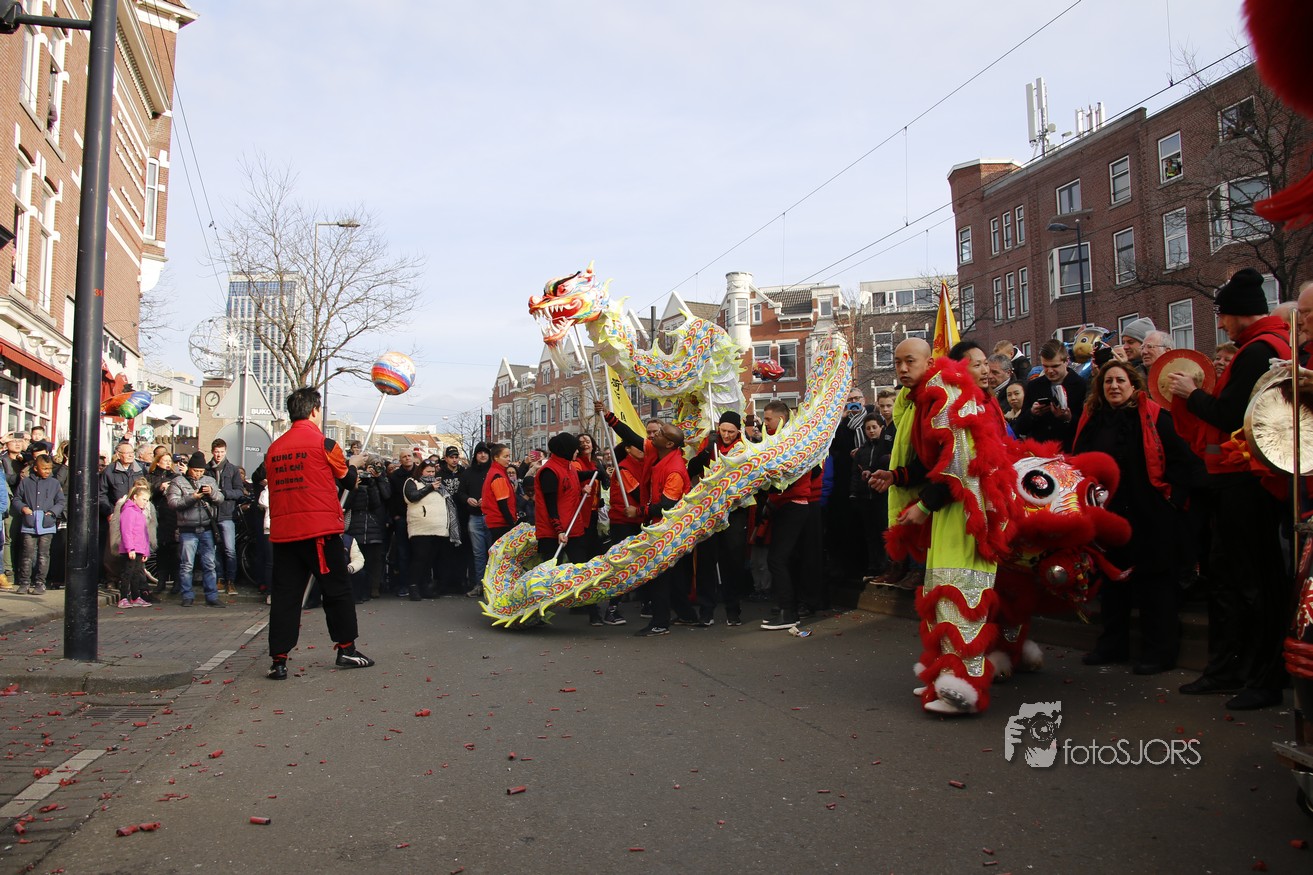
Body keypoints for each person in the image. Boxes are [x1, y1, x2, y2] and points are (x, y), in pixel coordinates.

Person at [1167, 267, 1291, 710]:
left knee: (1246, 581)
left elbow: (1231, 416)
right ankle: (1241, 670)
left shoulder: (1258, 352)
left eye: (1223, 316)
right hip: (1246, 482)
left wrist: (1191, 393)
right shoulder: (1270, 347)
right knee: (1241, 578)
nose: (1220, 325)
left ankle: (1254, 674)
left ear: (1239, 314)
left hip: (1245, 483)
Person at [870, 338, 1014, 715]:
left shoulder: (945, 393)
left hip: (967, 511)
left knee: (960, 595)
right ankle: (944, 676)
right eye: (897, 362)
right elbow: (930, 460)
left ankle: (964, 689)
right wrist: (897, 476)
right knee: (941, 594)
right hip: (949, 510)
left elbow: (960, 463)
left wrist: (924, 505)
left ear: (929, 361)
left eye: (909, 361)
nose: (902, 368)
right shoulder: (925, 397)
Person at [1073, 361, 1193, 674]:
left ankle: (1159, 652)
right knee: (1112, 585)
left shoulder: (1156, 417)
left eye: (1120, 381)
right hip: (1109, 515)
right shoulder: (1093, 420)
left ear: (1133, 384)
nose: (1114, 386)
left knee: (1155, 586)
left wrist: (1172, 502)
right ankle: (1112, 645)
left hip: (1150, 514)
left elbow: (1182, 461)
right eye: (1108, 381)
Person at [264, 386, 374, 680]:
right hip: (319, 531)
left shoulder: (274, 449)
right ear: (314, 410)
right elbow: (349, 481)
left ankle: (278, 659)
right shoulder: (325, 444)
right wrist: (354, 464)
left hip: (284, 532)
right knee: (337, 590)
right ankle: (346, 648)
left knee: (286, 596)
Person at [762, 399, 819, 631]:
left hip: (793, 504)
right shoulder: (781, 440)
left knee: (777, 559)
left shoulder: (792, 442)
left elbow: (789, 477)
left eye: (768, 419)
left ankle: (787, 612)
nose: (765, 423)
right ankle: (788, 609)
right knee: (783, 559)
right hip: (787, 505)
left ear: (781, 419)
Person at [688, 411, 749, 626]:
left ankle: (733, 609)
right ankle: (706, 610)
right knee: (706, 561)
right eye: (723, 430)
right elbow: (691, 469)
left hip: (735, 510)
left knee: (732, 561)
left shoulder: (745, 447)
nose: (727, 435)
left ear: (738, 431)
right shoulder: (709, 443)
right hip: (709, 510)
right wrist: (706, 451)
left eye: (731, 431)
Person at [168, 453, 224, 608]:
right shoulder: (178, 482)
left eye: (201, 471)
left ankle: (212, 596)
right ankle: (187, 596)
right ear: (189, 468)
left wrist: (211, 492)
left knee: (209, 564)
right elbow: (173, 503)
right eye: (195, 470)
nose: (198, 474)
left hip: (206, 527)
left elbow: (220, 499)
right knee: (187, 565)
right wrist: (193, 497)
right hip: (187, 529)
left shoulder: (209, 480)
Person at [1014, 339, 1087, 451]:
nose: (1050, 371)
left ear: (1066, 361)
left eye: (1055, 366)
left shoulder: (1081, 385)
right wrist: (1032, 413)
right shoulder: (1034, 386)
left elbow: (1088, 427)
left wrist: (1069, 418)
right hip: (1040, 451)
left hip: (1068, 451)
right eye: (1045, 366)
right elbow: (1020, 427)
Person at [14, 455, 64, 596]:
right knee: (27, 555)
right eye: (44, 468)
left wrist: (52, 512)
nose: (48, 471)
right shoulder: (25, 482)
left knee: (43, 555)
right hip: (29, 523)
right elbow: (17, 499)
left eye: (50, 468)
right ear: (36, 468)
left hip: (47, 524)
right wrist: (24, 508)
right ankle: (24, 582)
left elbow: (60, 502)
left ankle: (40, 583)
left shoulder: (54, 483)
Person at [99, 440, 145, 591]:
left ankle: (133, 581)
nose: (131, 456)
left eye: (132, 453)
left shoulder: (139, 469)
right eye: (127, 453)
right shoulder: (109, 471)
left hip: (136, 513)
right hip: (117, 513)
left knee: (135, 546)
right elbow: (102, 494)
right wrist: (109, 511)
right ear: (119, 455)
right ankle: (112, 578)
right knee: (113, 547)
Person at [404, 460, 452, 602]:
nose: (431, 474)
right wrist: (430, 487)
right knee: (419, 558)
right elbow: (412, 497)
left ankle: (425, 587)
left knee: (430, 560)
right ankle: (413, 586)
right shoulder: (412, 482)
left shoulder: (439, 484)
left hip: (438, 528)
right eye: (428, 471)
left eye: (433, 472)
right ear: (421, 471)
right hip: (421, 528)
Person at [345, 456, 391, 604]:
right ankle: (358, 591)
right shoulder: (353, 479)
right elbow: (346, 503)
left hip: (373, 526)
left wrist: (372, 482)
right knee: (357, 560)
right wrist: (354, 486)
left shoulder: (376, 481)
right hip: (355, 525)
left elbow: (377, 502)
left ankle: (372, 588)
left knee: (374, 560)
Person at [206, 438, 246, 596]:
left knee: (230, 549)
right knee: (214, 549)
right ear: (212, 452)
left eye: (222, 452)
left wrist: (223, 493)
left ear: (225, 451)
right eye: (217, 452)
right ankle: (220, 578)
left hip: (227, 514)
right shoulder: (206, 469)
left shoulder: (232, 469)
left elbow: (239, 491)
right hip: (211, 515)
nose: (219, 455)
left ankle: (230, 581)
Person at [457, 442, 493, 597]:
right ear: (475, 455)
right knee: (478, 554)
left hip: (491, 517)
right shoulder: (468, 473)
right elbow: (460, 492)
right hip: (474, 517)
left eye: (485, 452)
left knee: (493, 553)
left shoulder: (494, 471)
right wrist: (467, 499)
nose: (483, 455)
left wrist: (488, 499)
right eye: (480, 453)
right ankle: (479, 584)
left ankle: (493, 585)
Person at [117, 484, 154, 607]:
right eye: (143, 499)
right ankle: (123, 598)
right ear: (135, 497)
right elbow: (126, 531)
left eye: (147, 500)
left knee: (136, 574)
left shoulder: (140, 513)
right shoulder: (128, 511)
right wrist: (130, 548)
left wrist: (146, 551)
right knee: (127, 573)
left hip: (139, 548)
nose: (145, 503)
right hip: (131, 549)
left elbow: (144, 534)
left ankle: (135, 596)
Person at [481, 443, 518, 548]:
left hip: (496, 521)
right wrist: (512, 524)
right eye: (505, 456)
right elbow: (502, 503)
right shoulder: (498, 475)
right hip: (500, 522)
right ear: (496, 458)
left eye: (509, 456)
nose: (508, 459)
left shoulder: (495, 472)